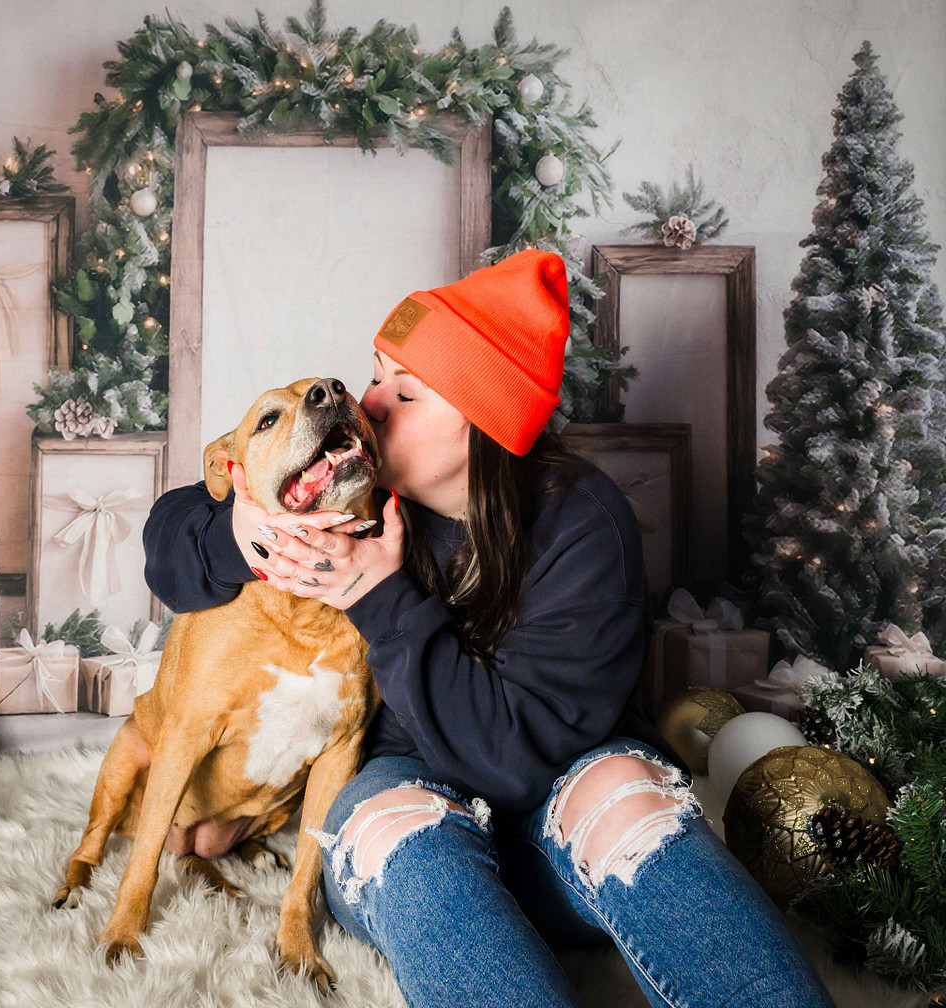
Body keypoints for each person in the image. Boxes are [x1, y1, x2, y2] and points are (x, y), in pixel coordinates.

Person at [141, 249, 836, 1007]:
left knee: (628, 792)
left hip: (554, 813)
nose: (368, 405)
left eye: (404, 393)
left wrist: (381, 598)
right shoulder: (357, 497)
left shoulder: (583, 524)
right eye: (375, 375)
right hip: (407, 808)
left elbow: (513, 763)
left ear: (485, 426)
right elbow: (170, 540)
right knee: (397, 831)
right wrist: (242, 532)